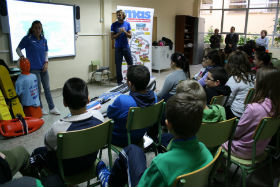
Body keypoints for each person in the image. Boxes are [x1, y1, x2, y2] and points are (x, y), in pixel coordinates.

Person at [96, 92, 213, 187]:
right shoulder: (207, 153)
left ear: (168, 125)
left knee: (132, 150)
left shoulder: (161, 163)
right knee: (135, 150)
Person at [30, 77, 104, 176]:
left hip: (66, 169)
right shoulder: (99, 116)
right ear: (88, 100)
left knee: (37, 152)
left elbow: (48, 145)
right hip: (90, 162)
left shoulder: (58, 128)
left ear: (64, 103)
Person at [223, 67, 280, 159]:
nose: (254, 80)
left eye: (257, 78)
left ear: (263, 84)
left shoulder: (254, 108)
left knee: (216, 140)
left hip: (242, 149)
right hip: (260, 149)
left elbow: (236, 133)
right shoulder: (276, 106)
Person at [16, 20, 60, 115]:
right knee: (38, 89)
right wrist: (22, 57)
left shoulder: (44, 39)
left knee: (47, 88)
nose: (38, 30)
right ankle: (40, 108)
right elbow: (18, 49)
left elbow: (46, 52)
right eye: (36, 28)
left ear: (41, 29)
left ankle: (52, 107)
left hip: (43, 67)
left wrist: (46, 63)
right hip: (33, 68)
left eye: (39, 28)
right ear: (32, 28)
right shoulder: (27, 38)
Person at [107, 65, 157, 147]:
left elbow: (110, 114)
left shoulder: (122, 100)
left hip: (120, 138)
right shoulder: (154, 97)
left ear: (130, 83)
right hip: (140, 135)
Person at [225, 51, 255, 119]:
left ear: (230, 64)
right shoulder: (253, 77)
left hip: (236, 113)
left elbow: (228, 100)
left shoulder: (234, 79)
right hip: (249, 112)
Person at [111, 10, 133, 85]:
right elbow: (112, 37)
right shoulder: (114, 25)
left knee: (130, 64)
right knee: (118, 65)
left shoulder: (127, 24)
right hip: (118, 48)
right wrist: (119, 32)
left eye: (120, 15)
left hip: (126, 47)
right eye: (117, 15)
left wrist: (124, 32)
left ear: (123, 15)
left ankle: (130, 80)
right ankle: (119, 82)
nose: (118, 16)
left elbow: (130, 36)